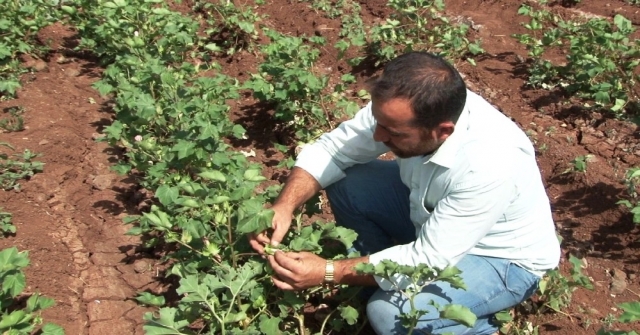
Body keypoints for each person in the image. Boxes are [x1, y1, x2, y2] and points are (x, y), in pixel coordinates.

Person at [249, 51, 560, 335]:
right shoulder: (406, 106)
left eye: (394, 133)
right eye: (379, 122)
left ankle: (474, 325)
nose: (378, 137)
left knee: (389, 315)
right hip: (431, 218)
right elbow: (333, 150)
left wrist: (329, 271)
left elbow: (428, 259)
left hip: (499, 259)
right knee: (349, 183)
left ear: (443, 131)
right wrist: (284, 206)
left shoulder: (490, 162)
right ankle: (378, 288)